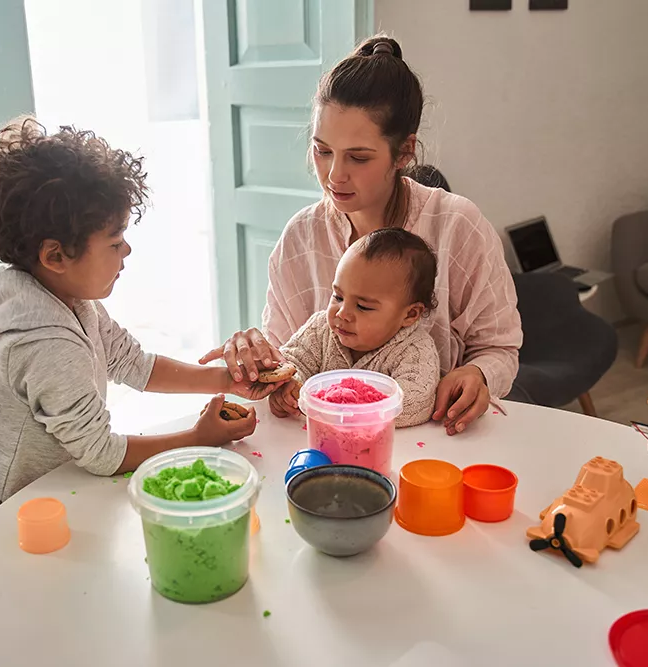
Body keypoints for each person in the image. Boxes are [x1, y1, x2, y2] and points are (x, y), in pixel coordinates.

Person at [0, 117, 280, 649]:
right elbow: (99, 452)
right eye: (116, 241)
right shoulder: (44, 342)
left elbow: (133, 362)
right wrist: (198, 439)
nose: (127, 254)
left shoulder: (62, 297)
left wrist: (224, 381)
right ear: (55, 255)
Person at [201, 34, 521, 436]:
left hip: (432, 446)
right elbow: (288, 359)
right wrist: (261, 362)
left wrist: (479, 373)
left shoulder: (458, 226)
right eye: (322, 150)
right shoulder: (301, 239)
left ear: (404, 151)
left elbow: (500, 347)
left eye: (358, 157)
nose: (334, 175)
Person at [271, 228, 440, 427]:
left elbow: (416, 403)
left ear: (410, 314)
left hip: (387, 449)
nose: (342, 313)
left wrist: (346, 402)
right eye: (338, 297)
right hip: (316, 442)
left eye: (363, 306)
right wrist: (288, 387)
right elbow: (291, 361)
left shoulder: (415, 350)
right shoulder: (320, 329)